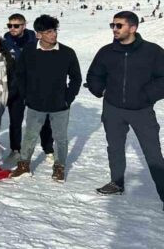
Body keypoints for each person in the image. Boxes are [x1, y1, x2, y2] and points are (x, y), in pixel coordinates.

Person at [86, 11, 164, 205]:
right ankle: (117, 183)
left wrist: (146, 96)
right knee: (115, 148)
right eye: (112, 25)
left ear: (133, 28)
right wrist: (99, 90)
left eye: (119, 25)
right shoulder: (107, 51)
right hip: (113, 109)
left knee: (153, 152)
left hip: (141, 110)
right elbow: (94, 74)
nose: (114, 29)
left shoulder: (152, 51)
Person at [10, 15, 81, 182]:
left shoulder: (67, 53)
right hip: (35, 104)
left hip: (60, 106)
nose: (53, 35)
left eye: (54, 30)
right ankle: (24, 165)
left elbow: (76, 78)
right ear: (38, 34)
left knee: (60, 138)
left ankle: (59, 167)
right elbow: (20, 75)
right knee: (30, 136)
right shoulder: (29, 51)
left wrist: (67, 99)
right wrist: (26, 95)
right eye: (49, 32)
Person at [3, 13, 54, 161]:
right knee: (15, 120)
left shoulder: (36, 39)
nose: (12, 28)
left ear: (24, 25)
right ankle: (15, 149)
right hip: (15, 87)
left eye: (16, 25)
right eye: (10, 25)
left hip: (34, 87)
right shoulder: (5, 42)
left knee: (42, 119)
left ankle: (48, 148)